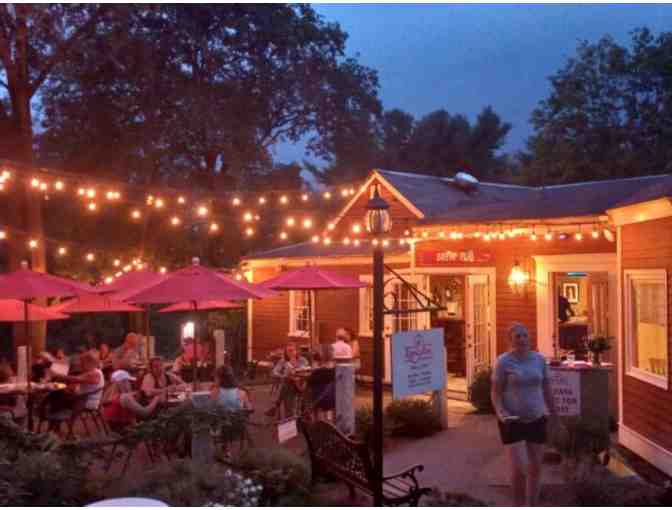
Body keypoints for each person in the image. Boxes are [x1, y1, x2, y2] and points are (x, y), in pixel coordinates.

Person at [491, 323, 557, 507]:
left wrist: (555, 416)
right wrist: (500, 411)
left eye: (524, 335)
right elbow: (495, 392)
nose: (522, 339)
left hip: (537, 418)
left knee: (536, 468)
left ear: (529, 338)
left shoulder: (539, 360)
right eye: (517, 336)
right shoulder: (503, 362)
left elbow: (547, 389)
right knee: (519, 469)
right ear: (510, 340)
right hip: (512, 421)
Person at [265, 341, 309, 418]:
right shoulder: (283, 361)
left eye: (292, 350)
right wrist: (282, 376)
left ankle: (276, 405)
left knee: (286, 386)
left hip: (301, 386)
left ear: (296, 351)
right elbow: (275, 371)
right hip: (289, 385)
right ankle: (288, 415)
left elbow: (307, 370)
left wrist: (298, 372)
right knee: (287, 384)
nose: (290, 353)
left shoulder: (302, 360)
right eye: (288, 351)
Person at [306, 352, 335, 422]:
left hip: (318, 400)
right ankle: (328, 421)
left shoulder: (315, 373)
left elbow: (308, 384)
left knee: (309, 397)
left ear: (315, 362)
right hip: (331, 399)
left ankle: (316, 421)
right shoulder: (332, 371)